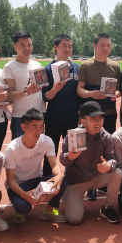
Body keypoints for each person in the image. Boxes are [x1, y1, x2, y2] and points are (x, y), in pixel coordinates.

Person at [59, 101, 122, 225]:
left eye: (100, 118)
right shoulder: (74, 135)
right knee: (74, 219)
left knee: (117, 173)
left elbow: (113, 158)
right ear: (83, 122)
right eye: (93, 119)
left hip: (96, 177)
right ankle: (70, 199)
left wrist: (109, 165)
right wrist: (69, 157)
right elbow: (63, 160)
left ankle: (107, 208)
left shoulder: (106, 137)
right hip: (76, 182)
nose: (98, 122)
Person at [4, 108, 66, 224]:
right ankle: (19, 209)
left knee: (63, 180)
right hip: (19, 185)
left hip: (37, 181)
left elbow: (54, 165)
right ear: (23, 127)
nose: (39, 131)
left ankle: (48, 211)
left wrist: (59, 175)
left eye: (41, 126)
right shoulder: (12, 148)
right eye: (35, 127)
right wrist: (24, 195)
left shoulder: (46, 141)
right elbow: (10, 180)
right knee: (23, 208)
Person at [41, 34, 80, 176]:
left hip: (73, 118)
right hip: (53, 118)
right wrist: (55, 89)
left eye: (70, 46)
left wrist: (80, 114)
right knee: (50, 151)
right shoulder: (47, 69)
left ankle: (74, 179)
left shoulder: (77, 68)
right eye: (64, 46)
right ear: (56, 47)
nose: (68, 49)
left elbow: (80, 94)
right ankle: (47, 178)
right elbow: (44, 96)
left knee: (75, 151)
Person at [3, 30, 46, 140]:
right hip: (21, 117)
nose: (26, 48)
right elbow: (9, 95)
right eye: (22, 45)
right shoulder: (9, 67)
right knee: (20, 149)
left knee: (38, 148)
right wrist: (27, 92)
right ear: (15, 47)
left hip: (39, 115)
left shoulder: (37, 65)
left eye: (29, 45)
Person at [77, 33, 121, 134]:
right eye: (102, 45)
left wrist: (116, 94)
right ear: (94, 46)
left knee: (108, 141)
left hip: (110, 113)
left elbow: (119, 89)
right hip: (90, 115)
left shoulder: (115, 66)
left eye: (108, 45)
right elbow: (79, 90)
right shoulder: (85, 65)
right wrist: (92, 94)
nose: (106, 48)